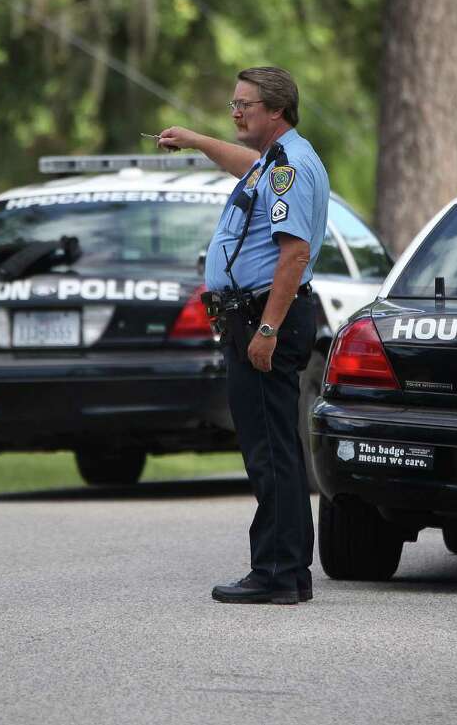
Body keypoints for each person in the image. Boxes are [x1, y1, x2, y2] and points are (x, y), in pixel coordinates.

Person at [156, 67, 328, 605]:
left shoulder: (290, 169)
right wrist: (194, 140)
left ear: (276, 111)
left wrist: (268, 329)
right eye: (233, 104)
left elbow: (294, 253)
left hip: (263, 319)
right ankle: (290, 570)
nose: (235, 113)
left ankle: (276, 572)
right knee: (277, 445)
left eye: (244, 105)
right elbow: (244, 165)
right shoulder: (275, 162)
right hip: (252, 317)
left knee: (269, 451)